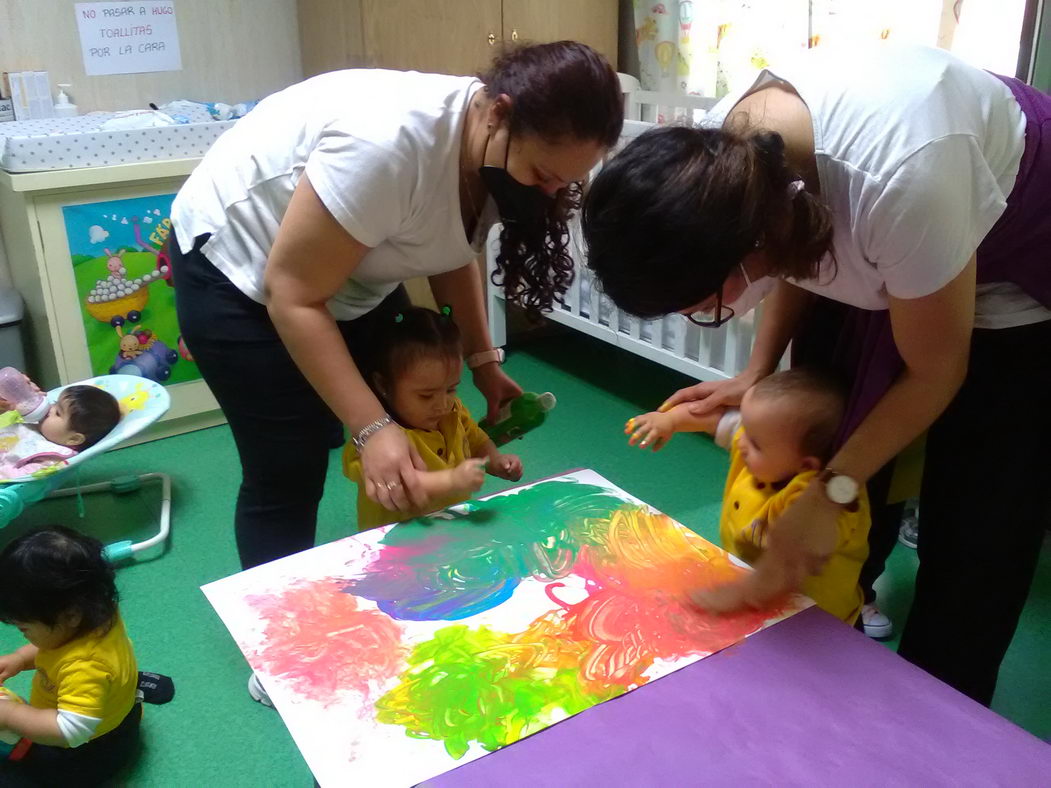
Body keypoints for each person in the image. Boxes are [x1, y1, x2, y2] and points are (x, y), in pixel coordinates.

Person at [582, 43, 1051, 705]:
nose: (702, 317)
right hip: (905, 235)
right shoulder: (730, 160)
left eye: (700, 306)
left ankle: (938, 714)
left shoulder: (901, 178)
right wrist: (755, 371)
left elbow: (935, 371)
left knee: (979, 519)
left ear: (739, 251)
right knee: (830, 429)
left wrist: (829, 495)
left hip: (1022, 245)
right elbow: (795, 254)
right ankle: (850, 599)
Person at [171, 41, 623, 571]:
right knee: (289, 463)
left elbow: (451, 245)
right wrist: (370, 428)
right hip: (239, 264)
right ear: (499, 114)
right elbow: (294, 294)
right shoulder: (386, 147)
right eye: (542, 175)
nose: (549, 193)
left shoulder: (489, 150)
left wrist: (482, 362)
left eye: (564, 183)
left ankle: (409, 563)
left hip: (344, 263)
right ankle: (277, 625)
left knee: (405, 393)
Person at [627, 368, 869, 624]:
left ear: (806, 466)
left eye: (754, 443)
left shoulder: (814, 500)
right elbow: (717, 419)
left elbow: (789, 565)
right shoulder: (764, 440)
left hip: (817, 619)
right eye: (744, 427)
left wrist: (744, 595)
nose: (740, 442)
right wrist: (670, 421)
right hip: (752, 592)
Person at [343, 306, 523, 529]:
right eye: (426, 395)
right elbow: (399, 485)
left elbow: (477, 440)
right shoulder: (372, 442)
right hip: (396, 541)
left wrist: (495, 460)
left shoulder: (452, 411)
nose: (442, 404)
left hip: (448, 528)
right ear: (383, 385)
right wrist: (452, 481)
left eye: (451, 389)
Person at [0, 527, 140, 786]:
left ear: (71, 616)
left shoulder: (86, 665)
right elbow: (56, 648)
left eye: (25, 630)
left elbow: (70, 731)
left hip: (86, 751)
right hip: (117, 713)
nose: (24, 638)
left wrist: (8, 715)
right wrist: (20, 658)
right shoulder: (96, 613)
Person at [0, 384, 121, 479]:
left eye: (58, 413)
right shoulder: (35, 426)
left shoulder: (51, 458)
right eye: (54, 404)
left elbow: (21, 477)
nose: (50, 409)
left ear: (73, 439)